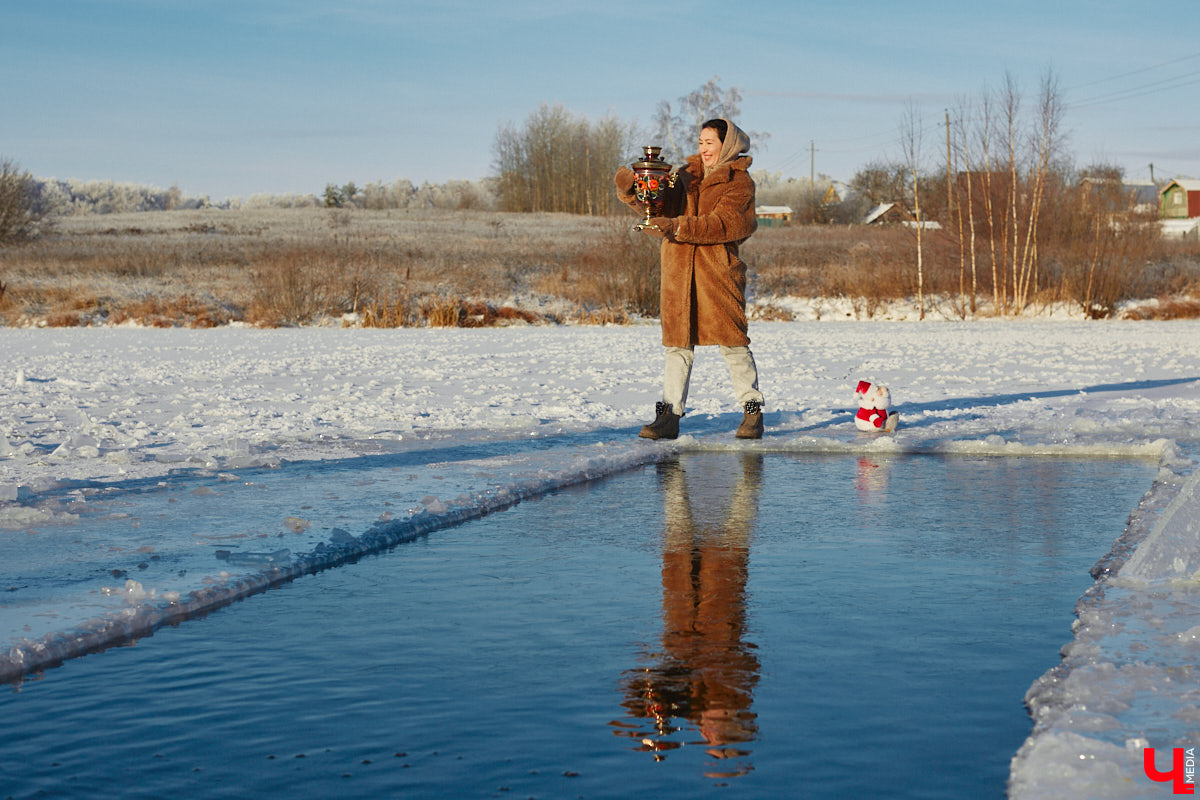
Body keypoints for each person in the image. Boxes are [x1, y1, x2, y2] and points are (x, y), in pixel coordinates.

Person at [614, 118, 765, 440]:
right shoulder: (685, 176)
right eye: (700, 142)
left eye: (710, 142)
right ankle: (668, 416)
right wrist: (633, 192)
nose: (703, 149)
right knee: (676, 347)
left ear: (728, 145)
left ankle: (753, 412)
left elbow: (726, 224)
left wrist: (678, 227)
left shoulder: (740, 182)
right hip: (678, 273)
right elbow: (659, 209)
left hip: (718, 273)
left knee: (734, 345)